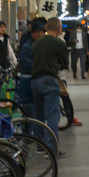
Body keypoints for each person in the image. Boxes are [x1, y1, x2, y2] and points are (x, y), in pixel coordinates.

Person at [31, 18, 69, 156]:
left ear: (46, 27)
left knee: (39, 113)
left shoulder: (37, 42)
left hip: (35, 80)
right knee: (52, 115)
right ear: (59, 29)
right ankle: (51, 150)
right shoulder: (59, 43)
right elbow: (64, 63)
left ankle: (40, 146)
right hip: (49, 79)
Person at [18, 20, 45, 106]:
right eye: (37, 32)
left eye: (42, 31)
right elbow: (29, 66)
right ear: (31, 33)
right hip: (29, 83)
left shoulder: (39, 45)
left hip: (38, 81)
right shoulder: (27, 47)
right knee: (31, 109)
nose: (40, 34)